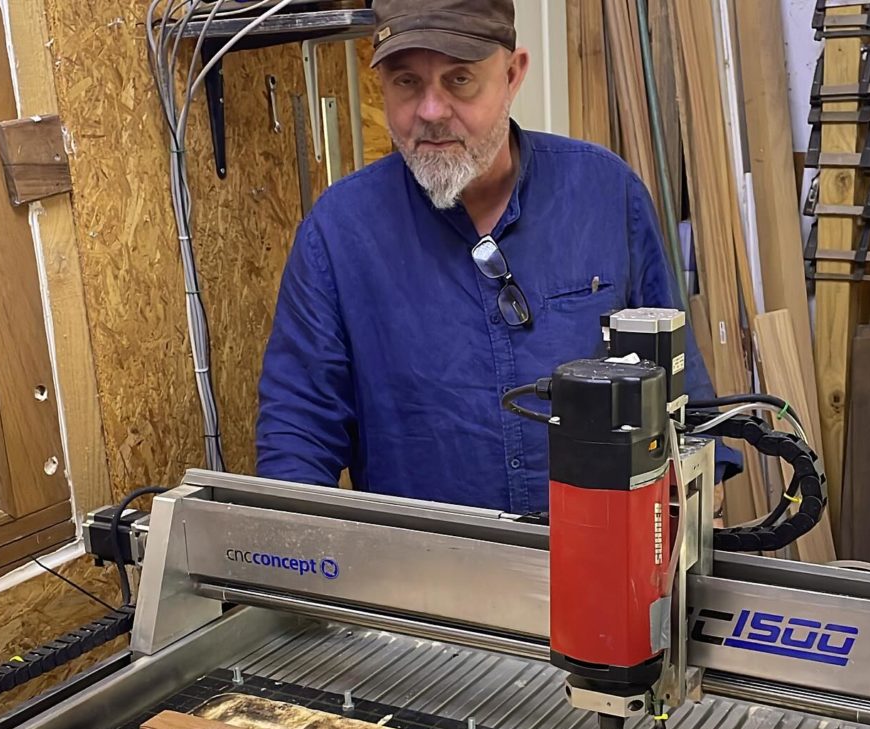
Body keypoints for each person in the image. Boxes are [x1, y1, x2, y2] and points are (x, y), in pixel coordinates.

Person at [256, 0, 739, 514]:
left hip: (601, 566)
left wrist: (692, 508)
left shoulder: (606, 195)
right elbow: (297, 438)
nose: (431, 111)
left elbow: (685, 402)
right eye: (406, 83)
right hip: (424, 578)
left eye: (459, 80)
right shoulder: (338, 233)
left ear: (512, 74)